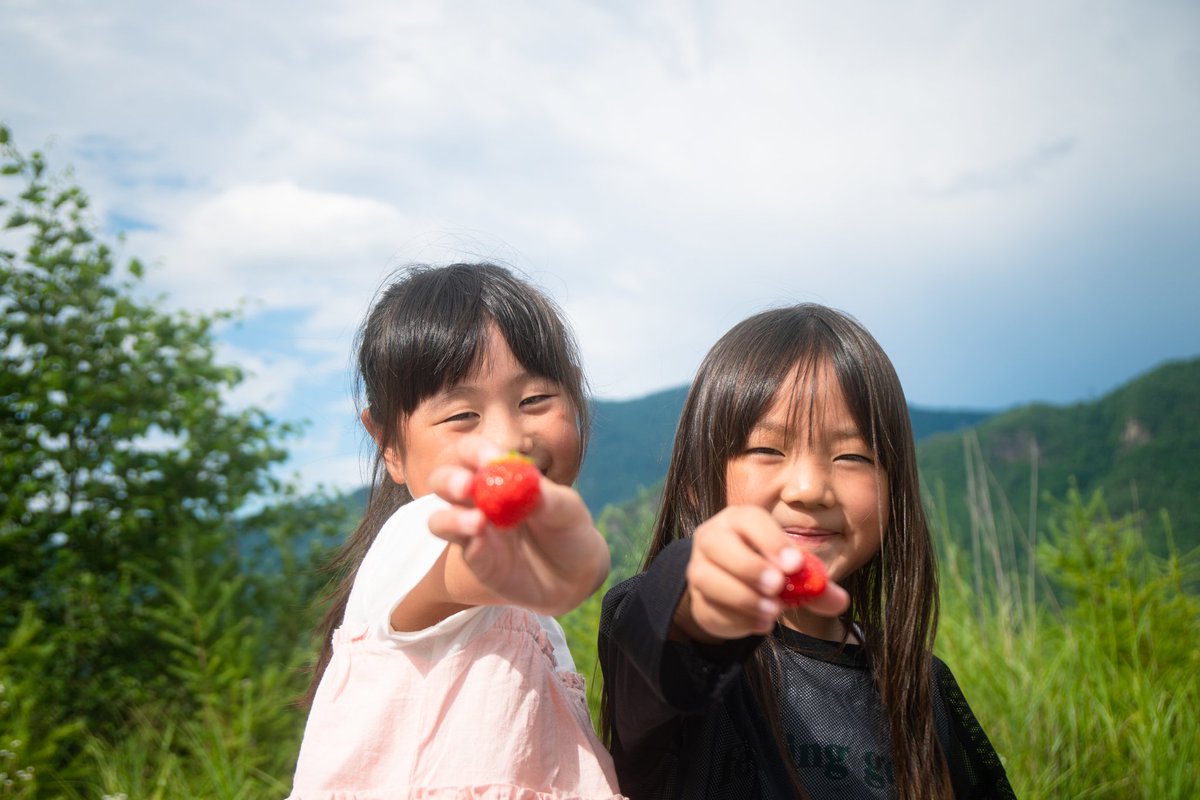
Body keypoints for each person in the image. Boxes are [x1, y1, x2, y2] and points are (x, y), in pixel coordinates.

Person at [598, 304, 1015, 799]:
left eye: (853, 456)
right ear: (693, 483)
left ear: (894, 490)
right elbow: (660, 622)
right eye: (767, 450)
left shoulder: (921, 685)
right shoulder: (680, 651)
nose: (810, 488)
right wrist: (699, 591)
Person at [289, 263, 624, 799]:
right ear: (388, 443)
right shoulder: (423, 530)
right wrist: (552, 565)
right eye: (462, 415)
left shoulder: (533, 624)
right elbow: (468, 570)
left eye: (535, 400)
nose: (506, 440)